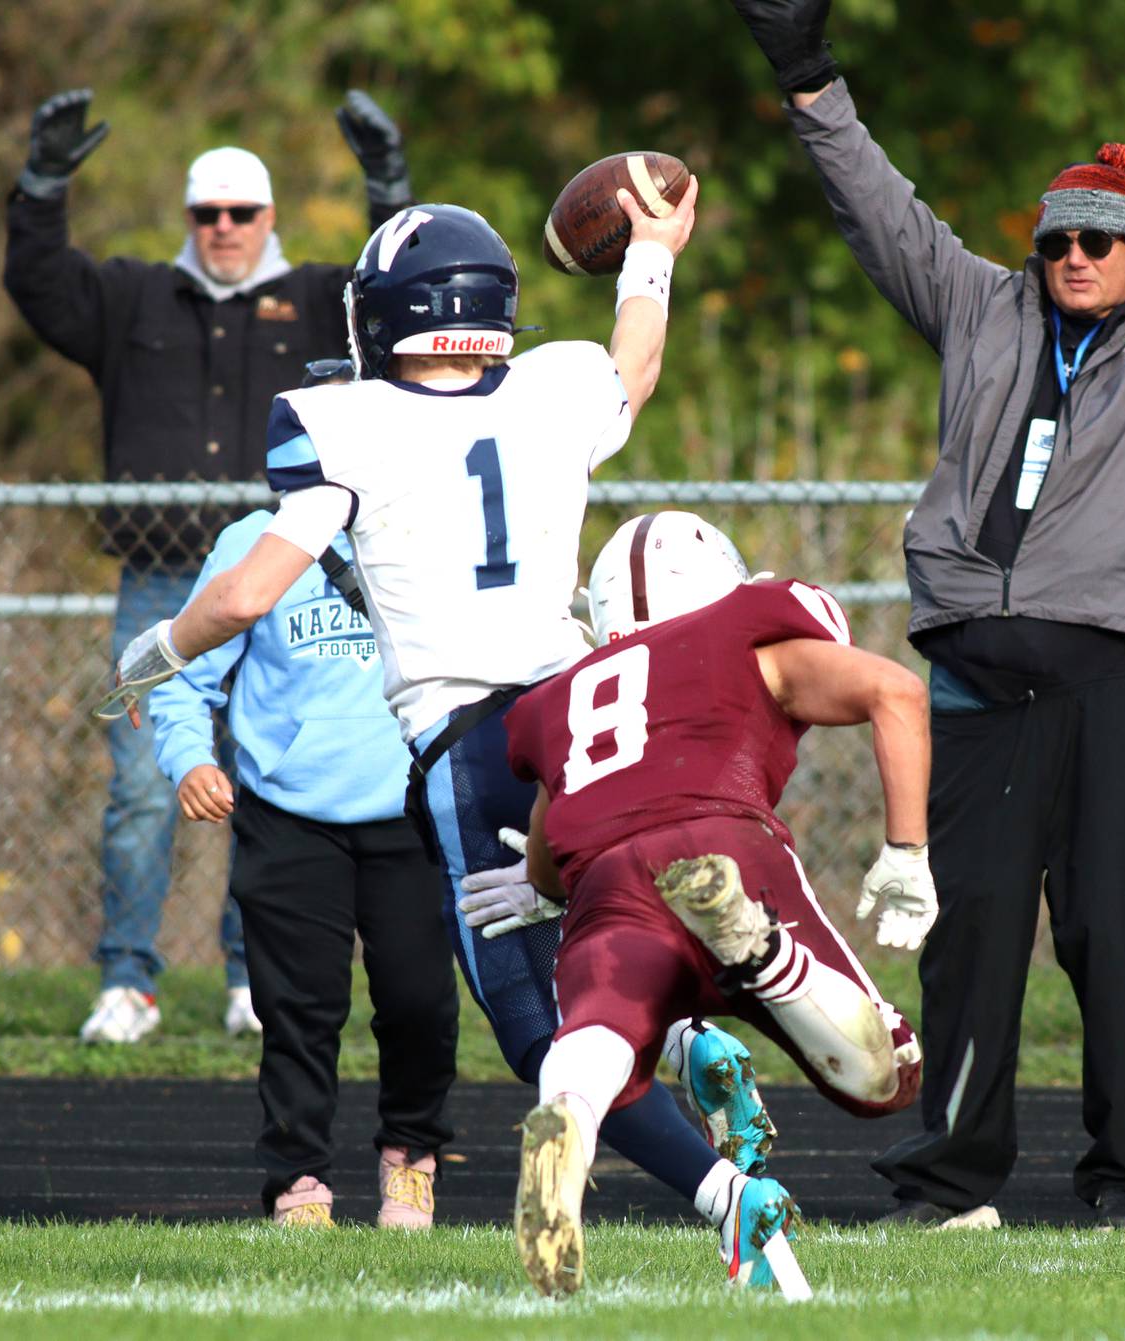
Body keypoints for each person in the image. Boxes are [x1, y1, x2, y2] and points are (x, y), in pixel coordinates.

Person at [729, 0, 1125, 1230]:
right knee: (967, 949)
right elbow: (878, 208)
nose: (1076, 255)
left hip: (1110, 683)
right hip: (976, 680)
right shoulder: (977, 308)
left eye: (1101, 241)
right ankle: (953, 1178)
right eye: (1061, 237)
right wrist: (809, 76)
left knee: (1116, 942)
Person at [101, 189, 798, 1277]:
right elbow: (637, 359)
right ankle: (698, 1036)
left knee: (535, 1029)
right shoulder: (556, 388)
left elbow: (243, 599)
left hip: (470, 746)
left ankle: (727, 1197)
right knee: (599, 937)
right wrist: (652, 252)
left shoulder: (347, 423)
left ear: (384, 315)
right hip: (582, 723)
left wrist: (158, 652)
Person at [4, 87, 414, 1043]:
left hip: (287, 576)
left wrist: (388, 187)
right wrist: (42, 184)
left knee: (265, 780)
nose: (224, 228)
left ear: (269, 216)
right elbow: (37, 285)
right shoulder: (134, 296)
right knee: (144, 785)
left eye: (241, 212)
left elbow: (393, 287)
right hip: (165, 578)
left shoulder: (320, 300)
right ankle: (126, 980)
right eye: (207, 212)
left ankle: (249, 977)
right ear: (190, 218)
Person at [502, 510, 928, 1298]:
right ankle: (761, 953)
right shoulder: (746, 627)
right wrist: (907, 851)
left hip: (605, 877)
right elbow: (895, 690)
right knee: (887, 1078)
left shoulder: (561, 696)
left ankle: (565, 1117)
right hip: (720, 845)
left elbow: (548, 865)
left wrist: (536, 886)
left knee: (601, 1047)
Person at [147, 362, 457, 1230]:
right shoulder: (250, 542)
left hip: (412, 810)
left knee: (419, 1000)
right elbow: (179, 673)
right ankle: (298, 1181)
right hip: (288, 817)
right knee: (298, 1010)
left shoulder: (425, 528)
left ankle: (412, 1155)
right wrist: (188, 762)